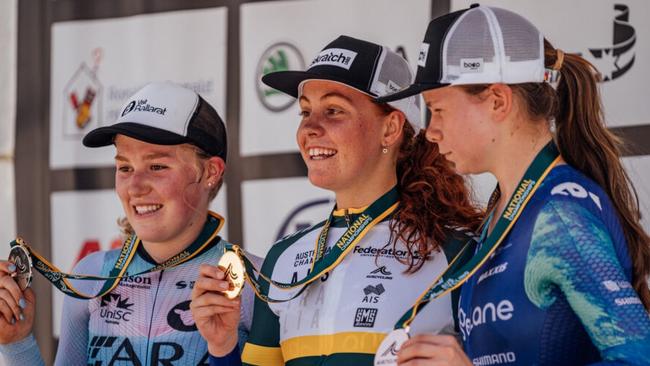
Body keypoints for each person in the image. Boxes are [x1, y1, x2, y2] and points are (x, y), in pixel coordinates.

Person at [379, 5, 650, 365]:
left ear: (497, 101)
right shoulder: (501, 213)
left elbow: (639, 358)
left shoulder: (560, 213)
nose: (430, 130)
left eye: (438, 109)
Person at [190, 35, 483, 365]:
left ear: (390, 129)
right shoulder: (284, 259)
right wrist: (223, 346)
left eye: (333, 110)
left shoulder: (457, 251)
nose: (310, 128)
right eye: (305, 112)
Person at [0, 81, 259, 365]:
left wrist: (223, 350)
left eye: (157, 166)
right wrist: (16, 343)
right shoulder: (92, 274)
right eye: (125, 167)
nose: (135, 187)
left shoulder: (252, 283)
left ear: (210, 171)